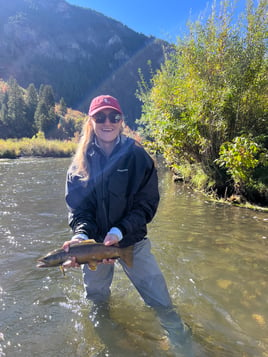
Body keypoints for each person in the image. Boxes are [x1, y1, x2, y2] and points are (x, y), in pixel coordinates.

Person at [63, 95, 193, 356]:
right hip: (94, 248)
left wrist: (118, 231)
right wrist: (81, 235)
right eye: (100, 117)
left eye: (114, 117)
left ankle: (185, 348)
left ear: (122, 121)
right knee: (97, 302)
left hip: (132, 240)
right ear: (91, 122)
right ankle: (108, 344)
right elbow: (80, 210)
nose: (107, 122)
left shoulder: (138, 157)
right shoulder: (78, 165)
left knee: (161, 302)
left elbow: (146, 206)